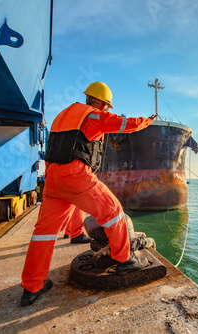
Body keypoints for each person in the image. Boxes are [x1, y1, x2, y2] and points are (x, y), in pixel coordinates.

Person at [20, 82, 157, 307]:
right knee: (114, 212)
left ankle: (32, 286)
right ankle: (125, 260)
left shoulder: (62, 116)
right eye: (107, 106)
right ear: (103, 103)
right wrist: (147, 121)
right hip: (75, 175)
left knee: (43, 234)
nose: (107, 110)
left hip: (52, 180)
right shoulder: (93, 116)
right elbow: (126, 124)